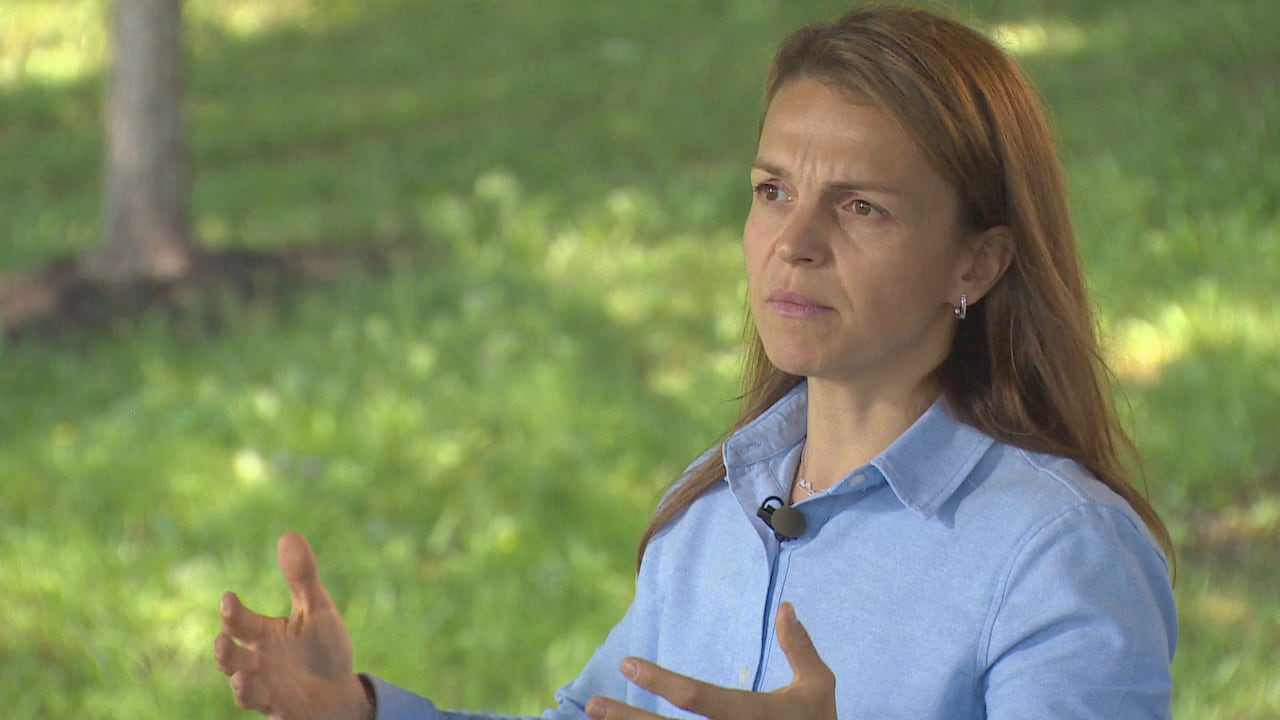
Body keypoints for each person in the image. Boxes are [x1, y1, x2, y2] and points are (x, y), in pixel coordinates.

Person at [214, 5, 1178, 719]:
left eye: (861, 206)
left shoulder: (1061, 551)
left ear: (979, 259)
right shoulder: (719, 507)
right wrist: (365, 713)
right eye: (771, 190)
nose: (792, 242)